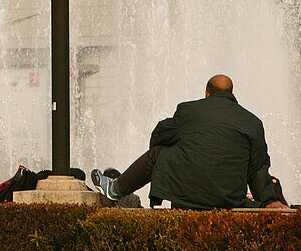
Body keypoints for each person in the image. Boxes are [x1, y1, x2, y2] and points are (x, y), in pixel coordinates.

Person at [93, 74, 288, 210]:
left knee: (158, 153)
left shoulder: (190, 111)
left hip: (187, 195)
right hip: (228, 199)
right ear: (232, 93)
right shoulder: (253, 122)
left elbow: (159, 137)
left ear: (207, 93)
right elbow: (258, 169)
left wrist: (181, 149)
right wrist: (269, 200)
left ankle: (114, 190)